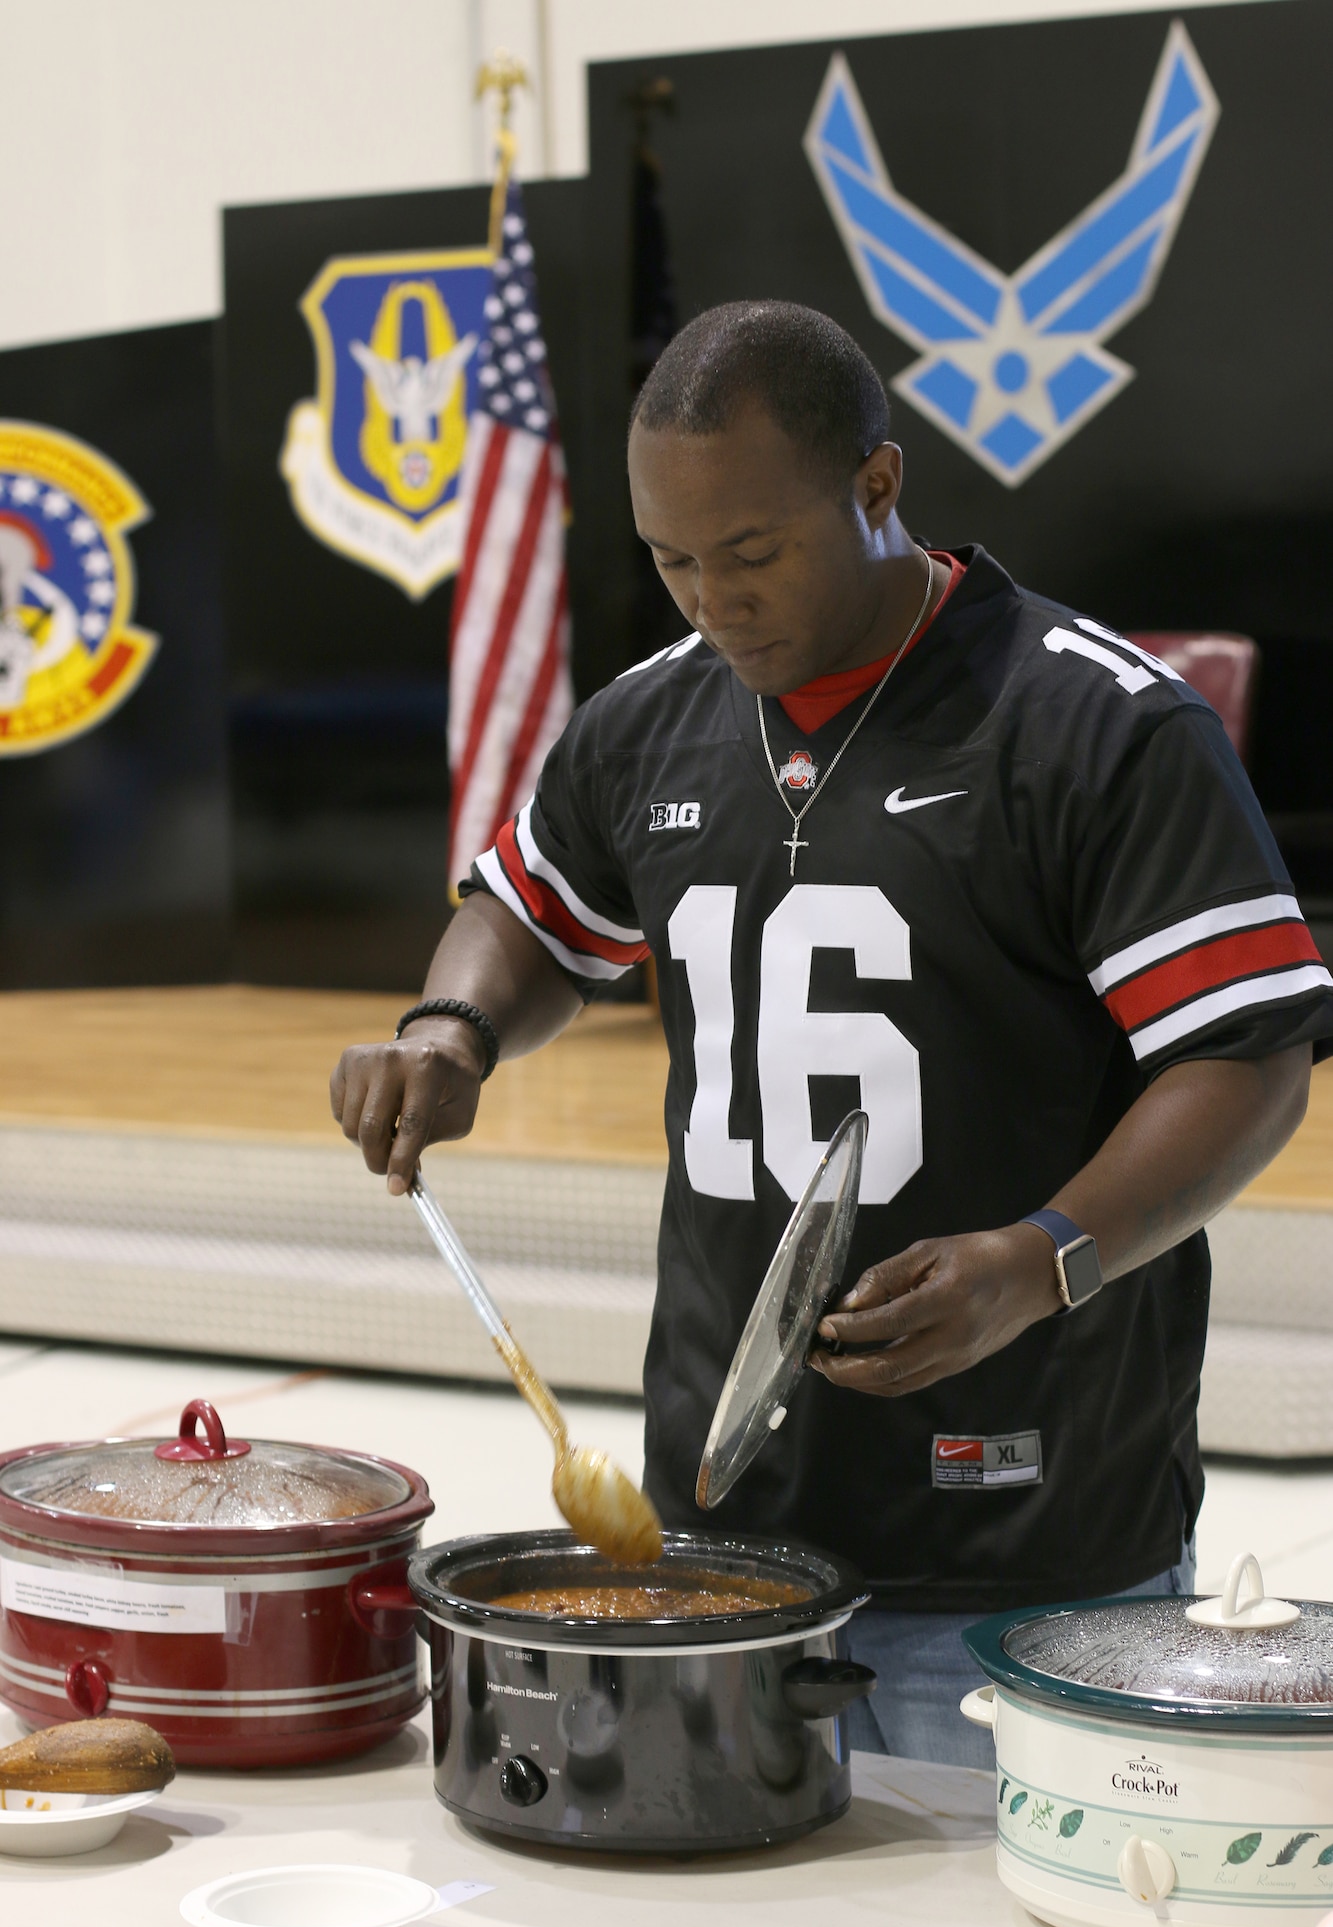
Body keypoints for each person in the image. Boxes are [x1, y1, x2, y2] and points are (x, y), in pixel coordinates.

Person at [332, 301, 1333, 1767]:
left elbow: (1244, 1061)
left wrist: (1040, 1258)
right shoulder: (645, 724)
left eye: (750, 553)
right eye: (672, 562)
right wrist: (449, 1031)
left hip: (1023, 1541)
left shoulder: (1094, 726)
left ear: (877, 486)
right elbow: (531, 913)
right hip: (720, 1535)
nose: (711, 602)